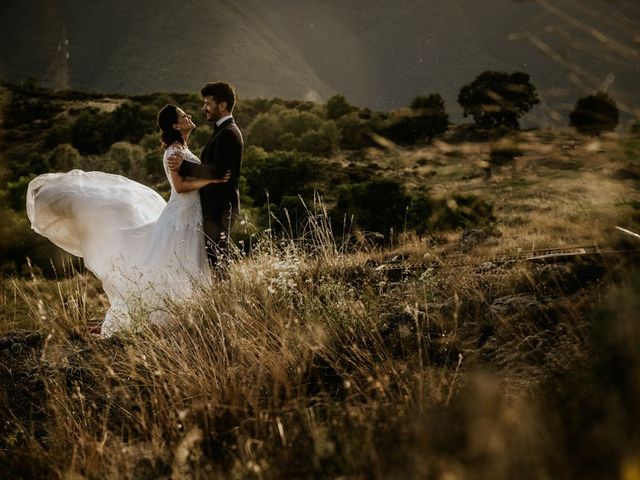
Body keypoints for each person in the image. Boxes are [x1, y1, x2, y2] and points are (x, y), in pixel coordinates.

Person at [26, 104, 230, 337]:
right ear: (175, 125)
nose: (189, 116)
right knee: (173, 265)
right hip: (180, 217)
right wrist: (211, 181)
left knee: (184, 264)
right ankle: (159, 319)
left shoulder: (182, 148)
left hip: (189, 215)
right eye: (184, 116)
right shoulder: (174, 152)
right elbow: (181, 187)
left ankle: (185, 316)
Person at [167, 81, 243, 270]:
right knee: (216, 261)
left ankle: (225, 299)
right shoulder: (222, 131)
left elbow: (218, 171)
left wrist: (184, 166)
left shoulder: (227, 133)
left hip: (220, 208)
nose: (204, 108)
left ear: (222, 105)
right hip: (215, 207)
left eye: (208, 103)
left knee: (218, 262)